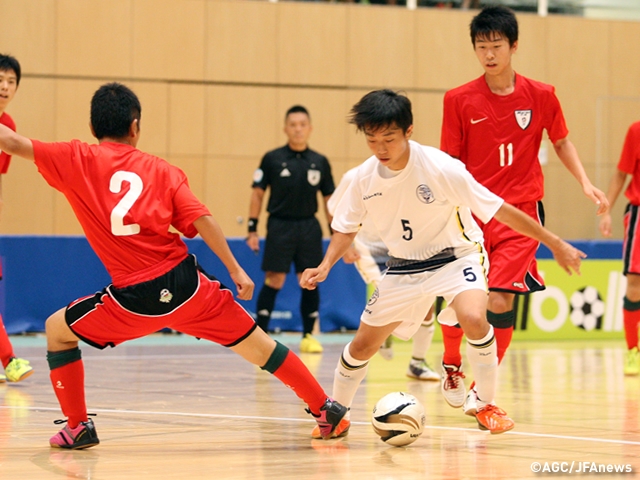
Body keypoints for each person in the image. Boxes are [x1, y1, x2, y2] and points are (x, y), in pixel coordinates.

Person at [0, 82, 347, 449]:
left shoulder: (74, 157)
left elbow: (11, 142)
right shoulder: (161, 170)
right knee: (260, 347)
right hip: (189, 284)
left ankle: (78, 426)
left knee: (57, 330)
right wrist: (235, 270)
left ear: (93, 127)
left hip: (135, 298)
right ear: (135, 126)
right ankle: (326, 409)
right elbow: (202, 220)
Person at [300, 89, 585, 437]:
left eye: (389, 138)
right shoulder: (363, 178)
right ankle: (336, 414)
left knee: (473, 317)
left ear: (409, 131)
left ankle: (484, 403)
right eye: (372, 140)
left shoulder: (441, 168)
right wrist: (326, 265)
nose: (380, 148)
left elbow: (501, 210)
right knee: (362, 345)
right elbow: (345, 227)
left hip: (456, 257)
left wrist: (555, 243)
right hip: (403, 267)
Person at [439, 5, 608, 415]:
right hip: (472, 215)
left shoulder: (542, 95)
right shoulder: (458, 99)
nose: (490, 54)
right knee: (462, 307)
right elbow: (448, 163)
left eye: (497, 45)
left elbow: (562, 141)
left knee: (500, 301)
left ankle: (484, 391)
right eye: (482, 47)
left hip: (523, 214)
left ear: (514, 46)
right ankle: (450, 361)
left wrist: (584, 182)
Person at [328, 166, 440, 380]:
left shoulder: (414, 174)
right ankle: (384, 333)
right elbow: (334, 210)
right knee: (390, 302)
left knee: (427, 302)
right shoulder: (354, 176)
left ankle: (417, 363)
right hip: (368, 250)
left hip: (406, 248)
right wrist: (345, 246)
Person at [247, 105, 335, 354]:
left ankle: (308, 335)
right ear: (286, 128)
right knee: (274, 279)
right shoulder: (272, 158)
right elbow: (257, 194)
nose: (298, 129)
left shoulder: (319, 162)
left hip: (309, 226)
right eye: (293, 125)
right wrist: (252, 229)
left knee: (308, 280)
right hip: (280, 225)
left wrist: (336, 232)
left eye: (302, 125)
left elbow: (329, 199)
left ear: (310, 129)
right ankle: (260, 335)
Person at [0, 54, 33, 384]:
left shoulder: (8, 126)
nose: (5, 87)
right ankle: (8, 358)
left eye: (11, 81)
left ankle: (8, 359)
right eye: (0, 80)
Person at [599, 120, 640, 376]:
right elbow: (621, 173)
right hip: (639, 214)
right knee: (634, 282)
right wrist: (607, 211)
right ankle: (632, 351)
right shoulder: (636, 131)